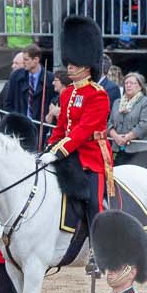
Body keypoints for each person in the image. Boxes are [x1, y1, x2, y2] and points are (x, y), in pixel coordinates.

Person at [46, 16, 111, 234]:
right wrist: (49, 147)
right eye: (69, 63)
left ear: (88, 66)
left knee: (94, 203)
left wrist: (59, 150)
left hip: (92, 154)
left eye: (74, 64)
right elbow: (61, 127)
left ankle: (98, 250)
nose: (69, 67)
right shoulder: (68, 94)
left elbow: (83, 130)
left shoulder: (98, 95)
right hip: (70, 152)